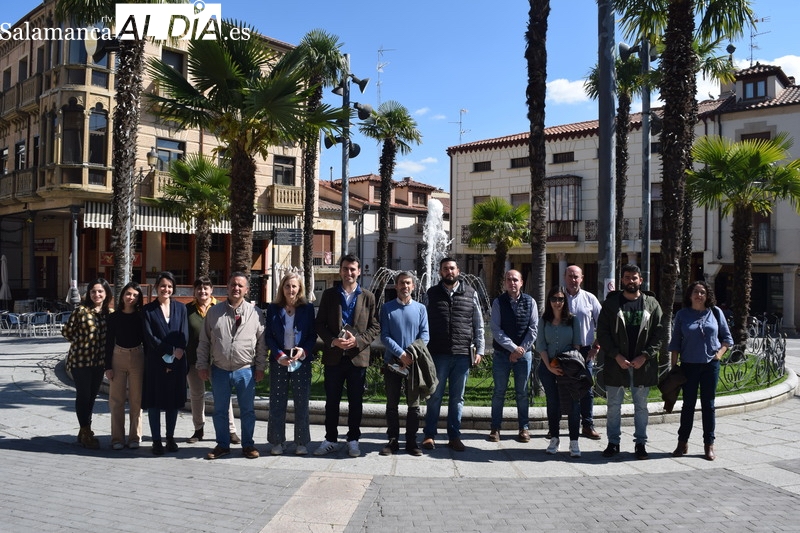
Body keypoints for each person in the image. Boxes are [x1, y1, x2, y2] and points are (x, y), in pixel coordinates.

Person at [314, 254, 380, 458]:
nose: (349, 273)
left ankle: (353, 440)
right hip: (334, 356)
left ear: (359, 271)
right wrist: (333, 340)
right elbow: (319, 324)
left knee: (356, 401)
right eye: (345, 269)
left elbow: (375, 326)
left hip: (357, 357)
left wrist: (357, 341)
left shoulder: (368, 296)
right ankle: (330, 439)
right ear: (340, 270)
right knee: (331, 401)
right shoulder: (329, 295)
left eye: (353, 269)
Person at [596, 264, 664, 460]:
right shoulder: (610, 305)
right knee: (613, 406)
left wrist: (645, 356)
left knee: (641, 407)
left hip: (642, 366)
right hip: (616, 365)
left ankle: (641, 444)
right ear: (622, 280)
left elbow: (659, 334)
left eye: (634, 278)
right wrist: (616, 356)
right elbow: (603, 333)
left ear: (640, 280)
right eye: (627, 277)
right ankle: (613, 443)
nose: (631, 281)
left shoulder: (652, 304)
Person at [197, 272, 266, 460]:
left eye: (240, 286)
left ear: (246, 290)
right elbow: (204, 341)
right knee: (219, 410)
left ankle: (248, 445)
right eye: (233, 285)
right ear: (227, 287)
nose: (236, 288)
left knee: (248, 410)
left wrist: (260, 366)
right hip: (219, 369)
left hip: (245, 370)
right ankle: (222, 445)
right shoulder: (214, 312)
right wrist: (202, 364)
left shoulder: (256, 314)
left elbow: (261, 343)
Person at [422, 257, 485, 452]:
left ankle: (454, 435)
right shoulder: (431, 294)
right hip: (438, 353)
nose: (449, 272)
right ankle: (429, 435)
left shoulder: (470, 293)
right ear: (440, 272)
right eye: (445, 269)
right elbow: (422, 322)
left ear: (458, 270)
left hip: (462, 355)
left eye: (452, 268)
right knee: (435, 396)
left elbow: (478, 324)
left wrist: (480, 349)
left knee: (457, 398)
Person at [669, 280, 733, 461]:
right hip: (689, 365)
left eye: (703, 292)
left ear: (707, 295)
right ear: (689, 295)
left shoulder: (715, 312)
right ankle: (682, 443)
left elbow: (727, 338)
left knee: (709, 405)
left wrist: (719, 354)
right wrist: (674, 367)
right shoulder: (682, 314)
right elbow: (675, 342)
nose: (699, 295)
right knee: (688, 405)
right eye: (696, 292)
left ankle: (709, 445)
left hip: (710, 366)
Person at [264, 272, 317, 456]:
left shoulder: (307, 309)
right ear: (282, 288)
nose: (291, 290)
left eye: (294, 286)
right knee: (277, 401)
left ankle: (301, 442)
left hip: (300, 359)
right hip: (280, 359)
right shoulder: (273, 308)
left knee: (301, 402)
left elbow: (312, 335)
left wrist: (304, 351)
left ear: (299, 288)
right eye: (287, 286)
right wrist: (279, 355)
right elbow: (268, 336)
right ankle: (277, 441)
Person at [379, 271, 431, 456]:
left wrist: (411, 354)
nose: (405, 286)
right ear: (396, 286)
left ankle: (411, 442)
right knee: (392, 404)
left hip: (414, 364)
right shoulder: (386, 308)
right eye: (402, 283)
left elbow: (425, 335)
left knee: (414, 406)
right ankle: (392, 441)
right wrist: (401, 354)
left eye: (408, 283)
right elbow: (384, 335)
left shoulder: (421, 309)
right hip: (392, 363)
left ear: (413, 286)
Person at [185, 277, 240, 445]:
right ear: (194, 291)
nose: (202, 292)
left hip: (218, 360)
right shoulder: (187, 310)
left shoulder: (222, 308)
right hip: (193, 359)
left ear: (212, 290)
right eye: (199, 289)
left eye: (205, 288)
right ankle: (198, 429)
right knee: (196, 395)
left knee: (223, 396)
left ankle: (231, 430)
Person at [142, 271, 189, 456]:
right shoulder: (148, 310)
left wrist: (176, 356)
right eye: (163, 286)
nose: (166, 289)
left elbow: (184, 334)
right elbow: (149, 337)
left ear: (173, 288)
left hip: (177, 362)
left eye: (169, 286)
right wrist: (169, 352)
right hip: (156, 363)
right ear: (156, 288)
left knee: (172, 402)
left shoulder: (181, 308)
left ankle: (170, 438)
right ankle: (156, 441)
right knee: (154, 403)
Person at [488, 269, 537, 444]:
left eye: (515, 279)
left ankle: (524, 428)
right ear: (505, 283)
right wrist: (513, 348)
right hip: (502, 355)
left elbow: (533, 329)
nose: (512, 283)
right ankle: (495, 428)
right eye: (508, 279)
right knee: (499, 392)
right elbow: (496, 329)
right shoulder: (498, 303)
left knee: (522, 393)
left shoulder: (530, 302)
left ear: (521, 282)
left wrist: (521, 350)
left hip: (524, 356)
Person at [63, 277, 113, 449]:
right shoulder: (81, 311)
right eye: (93, 291)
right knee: (83, 395)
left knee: (92, 397)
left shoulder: (109, 314)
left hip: (98, 362)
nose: (96, 294)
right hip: (80, 361)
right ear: (88, 293)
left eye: (100, 291)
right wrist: (81, 343)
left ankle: (85, 428)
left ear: (106, 294)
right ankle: (86, 432)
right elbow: (67, 332)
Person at [536, 286, 583, 457]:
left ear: (565, 301)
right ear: (549, 301)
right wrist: (549, 366)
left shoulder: (573, 320)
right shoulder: (544, 320)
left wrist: (567, 366)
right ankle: (554, 438)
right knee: (553, 403)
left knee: (573, 404)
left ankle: (574, 441)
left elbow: (577, 345)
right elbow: (540, 345)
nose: (557, 302)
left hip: (568, 368)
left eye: (561, 299)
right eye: (554, 299)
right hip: (548, 367)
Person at [104, 281, 144, 450]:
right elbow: (108, 342)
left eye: (135, 295)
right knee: (116, 400)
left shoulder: (142, 316)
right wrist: (108, 366)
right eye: (128, 294)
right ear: (122, 296)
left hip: (137, 357)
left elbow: (147, 341)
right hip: (118, 356)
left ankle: (135, 437)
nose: (131, 298)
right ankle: (117, 438)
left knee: (137, 400)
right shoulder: (114, 317)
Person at [564, 265, 602, 439]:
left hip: (585, 350)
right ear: (565, 277)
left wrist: (596, 346)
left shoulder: (590, 299)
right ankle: (555, 427)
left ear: (582, 278)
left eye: (576, 276)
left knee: (586, 389)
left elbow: (603, 324)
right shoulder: (558, 298)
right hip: (563, 350)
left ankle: (587, 425)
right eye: (570, 276)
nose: (573, 279)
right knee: (562, 388)